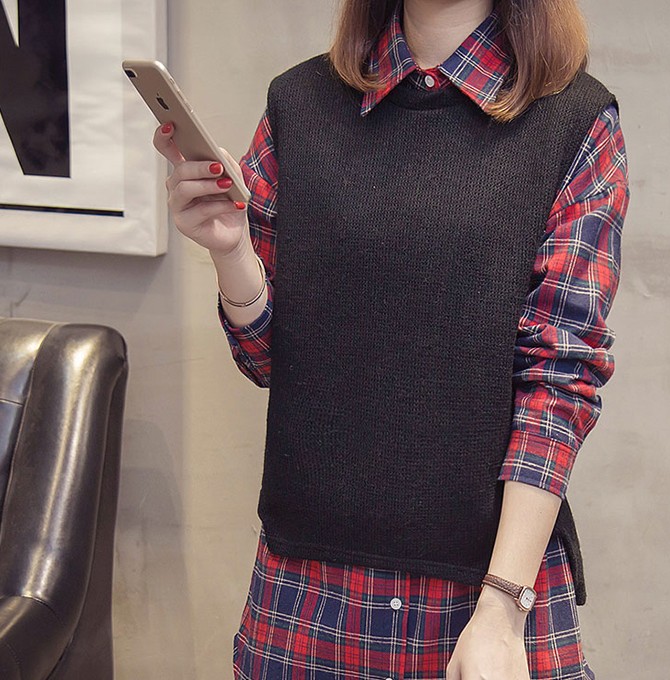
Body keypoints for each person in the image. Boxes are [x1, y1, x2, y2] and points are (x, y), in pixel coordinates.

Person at [154, 0, 629, 677]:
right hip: (308, 597)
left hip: (486, 598)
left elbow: (559, 382)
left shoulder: (575, 120)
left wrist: (502, 609)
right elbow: (267, 359)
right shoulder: (298, 104)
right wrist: (231, 253)